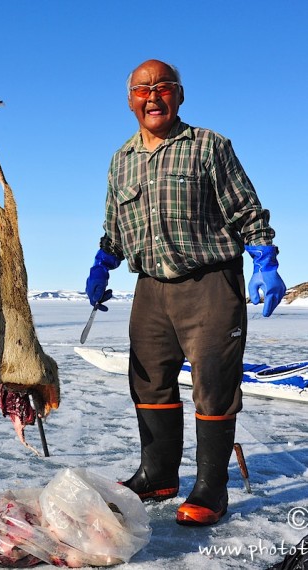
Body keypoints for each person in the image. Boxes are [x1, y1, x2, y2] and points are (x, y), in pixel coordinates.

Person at [85, 59, 286, 527]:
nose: (152, 96)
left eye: (163, 87)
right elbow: (115, 228)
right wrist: (102, 264)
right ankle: (158, 475)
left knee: (213, 385)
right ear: (130, 99)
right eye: (142, 89)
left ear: (179, 95)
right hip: (151, 288)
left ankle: (211, 490)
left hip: (210, 283)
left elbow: (246, 210)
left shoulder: (208, 146)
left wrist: (265, 260)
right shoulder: (122, 160)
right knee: (149, 381)